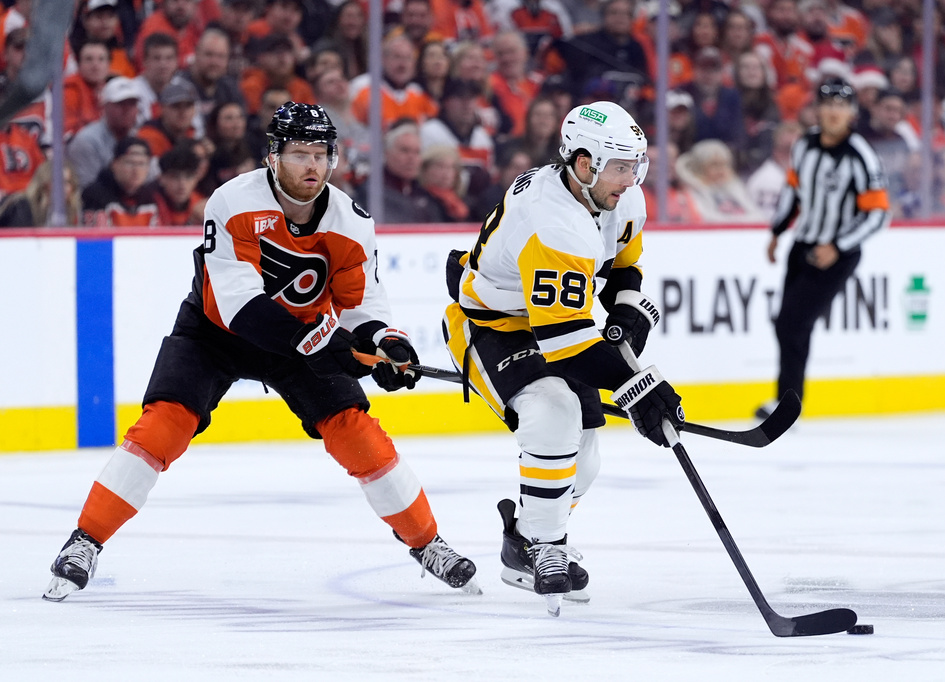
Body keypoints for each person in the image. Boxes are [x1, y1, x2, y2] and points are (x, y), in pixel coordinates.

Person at [43, 102, 478, 603]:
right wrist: (328, 342)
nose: (312, 166)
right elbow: (241, 308)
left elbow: (361, 306)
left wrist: (383, 343)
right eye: (299, 154)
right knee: (163, 425)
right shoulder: (231, 202)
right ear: (272, 157)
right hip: (215, 333)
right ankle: (85, 541)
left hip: (301, 339)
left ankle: (427, 543)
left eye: (321, 154)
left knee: (360, 437)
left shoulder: (352, 222)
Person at [442, 101, 684, 614]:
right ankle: (545, 550)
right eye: (620, 165)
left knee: (586, 459)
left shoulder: (618, 198)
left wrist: (625, 304)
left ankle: (524, 542)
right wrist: (640, 387)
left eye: (636, 164)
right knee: (554, 412)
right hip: (491, 324)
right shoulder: (552, 220)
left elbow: (623, 263)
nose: (631, 177)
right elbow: (565, 341)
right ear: (582, 162)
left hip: (545, 320)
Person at [756, 78, 891, 419]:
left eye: (841, 105)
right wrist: (777, 231)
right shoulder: (804, 146)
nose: (833, 112)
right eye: (827, 104)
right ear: (817, 109)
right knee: (788, 324)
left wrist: (839, 246)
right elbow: (793, 192)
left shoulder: (861, 156)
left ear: (852, 112)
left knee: (792, 323)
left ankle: (787, 403)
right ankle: (787, 401)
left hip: (837, 254)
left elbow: (878, 214)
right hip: (803, 247)